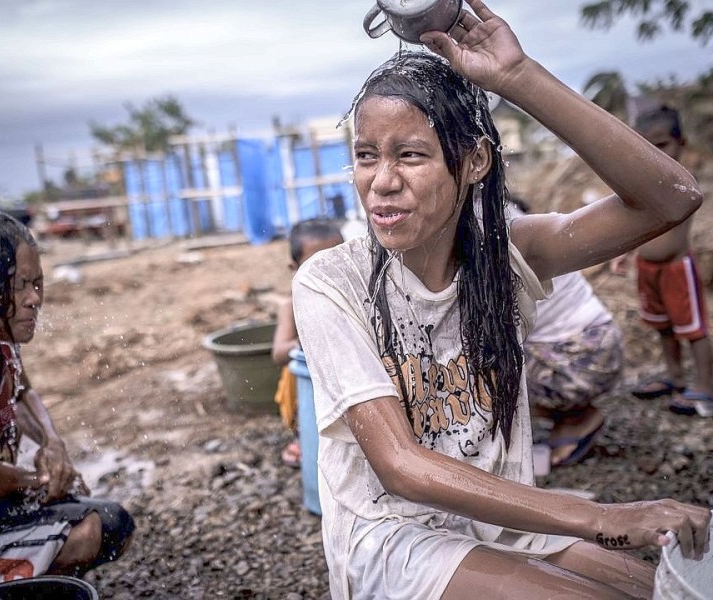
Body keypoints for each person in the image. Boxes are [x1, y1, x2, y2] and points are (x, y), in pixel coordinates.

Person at [292, 1, 710, 598]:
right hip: (395, 539)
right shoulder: (333, 281)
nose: (381, 181)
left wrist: (518, 77)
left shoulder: (511, 254)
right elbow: (401, 466)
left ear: (475, 162)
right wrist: (603, 517)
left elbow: (671, 199)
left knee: (657, 589)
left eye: (410, 155)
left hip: (504, 522)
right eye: (366, 156)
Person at [0, 207, 134, 599]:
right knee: (88, 531)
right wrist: (43, 482)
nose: (34, 299)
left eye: (38, 283)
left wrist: (53, 444)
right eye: (18, 286)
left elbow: (24, 392)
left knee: (112, 524)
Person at [610, 105, 712, 418]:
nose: (656, 155)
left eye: (662, 145)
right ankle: (675, 377)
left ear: (681, 144)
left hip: (677, 269)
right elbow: (637, 225)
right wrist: (625, 254)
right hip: (648, 269)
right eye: (647, 148)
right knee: (663, 327)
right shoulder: (644, 187)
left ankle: (706, 386)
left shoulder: (683, 182)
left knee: (693, 330)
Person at [508, 198, 623, 468]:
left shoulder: (489, 227)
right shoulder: (512, 215)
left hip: (579, 359)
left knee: (473, 373)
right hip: (597, 344)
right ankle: (569, 415)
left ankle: (578, 418)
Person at [273, 218, 344, 467]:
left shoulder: (351, 296)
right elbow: (278, 352)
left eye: (335, 260)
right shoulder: (291, 306)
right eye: (315, 265)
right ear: (294, 268)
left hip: (345, 380)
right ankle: (305, 438)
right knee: (293, 376)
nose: (326, 272)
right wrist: (302, 345)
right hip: (311, 385)